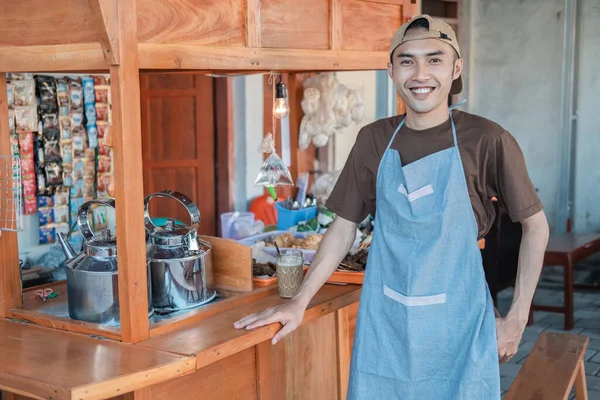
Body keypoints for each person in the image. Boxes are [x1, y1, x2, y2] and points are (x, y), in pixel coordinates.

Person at [235, 14, 549, 399]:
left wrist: (517, 318)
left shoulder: (487, 140)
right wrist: (299, 302)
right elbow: (343, 227)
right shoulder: (373, 140)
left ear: (456, 68)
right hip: (386, 327)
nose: (420, 74)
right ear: (391, 70)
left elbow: (536, 226)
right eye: (407, 60)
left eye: (434, 59)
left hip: (459, 326)